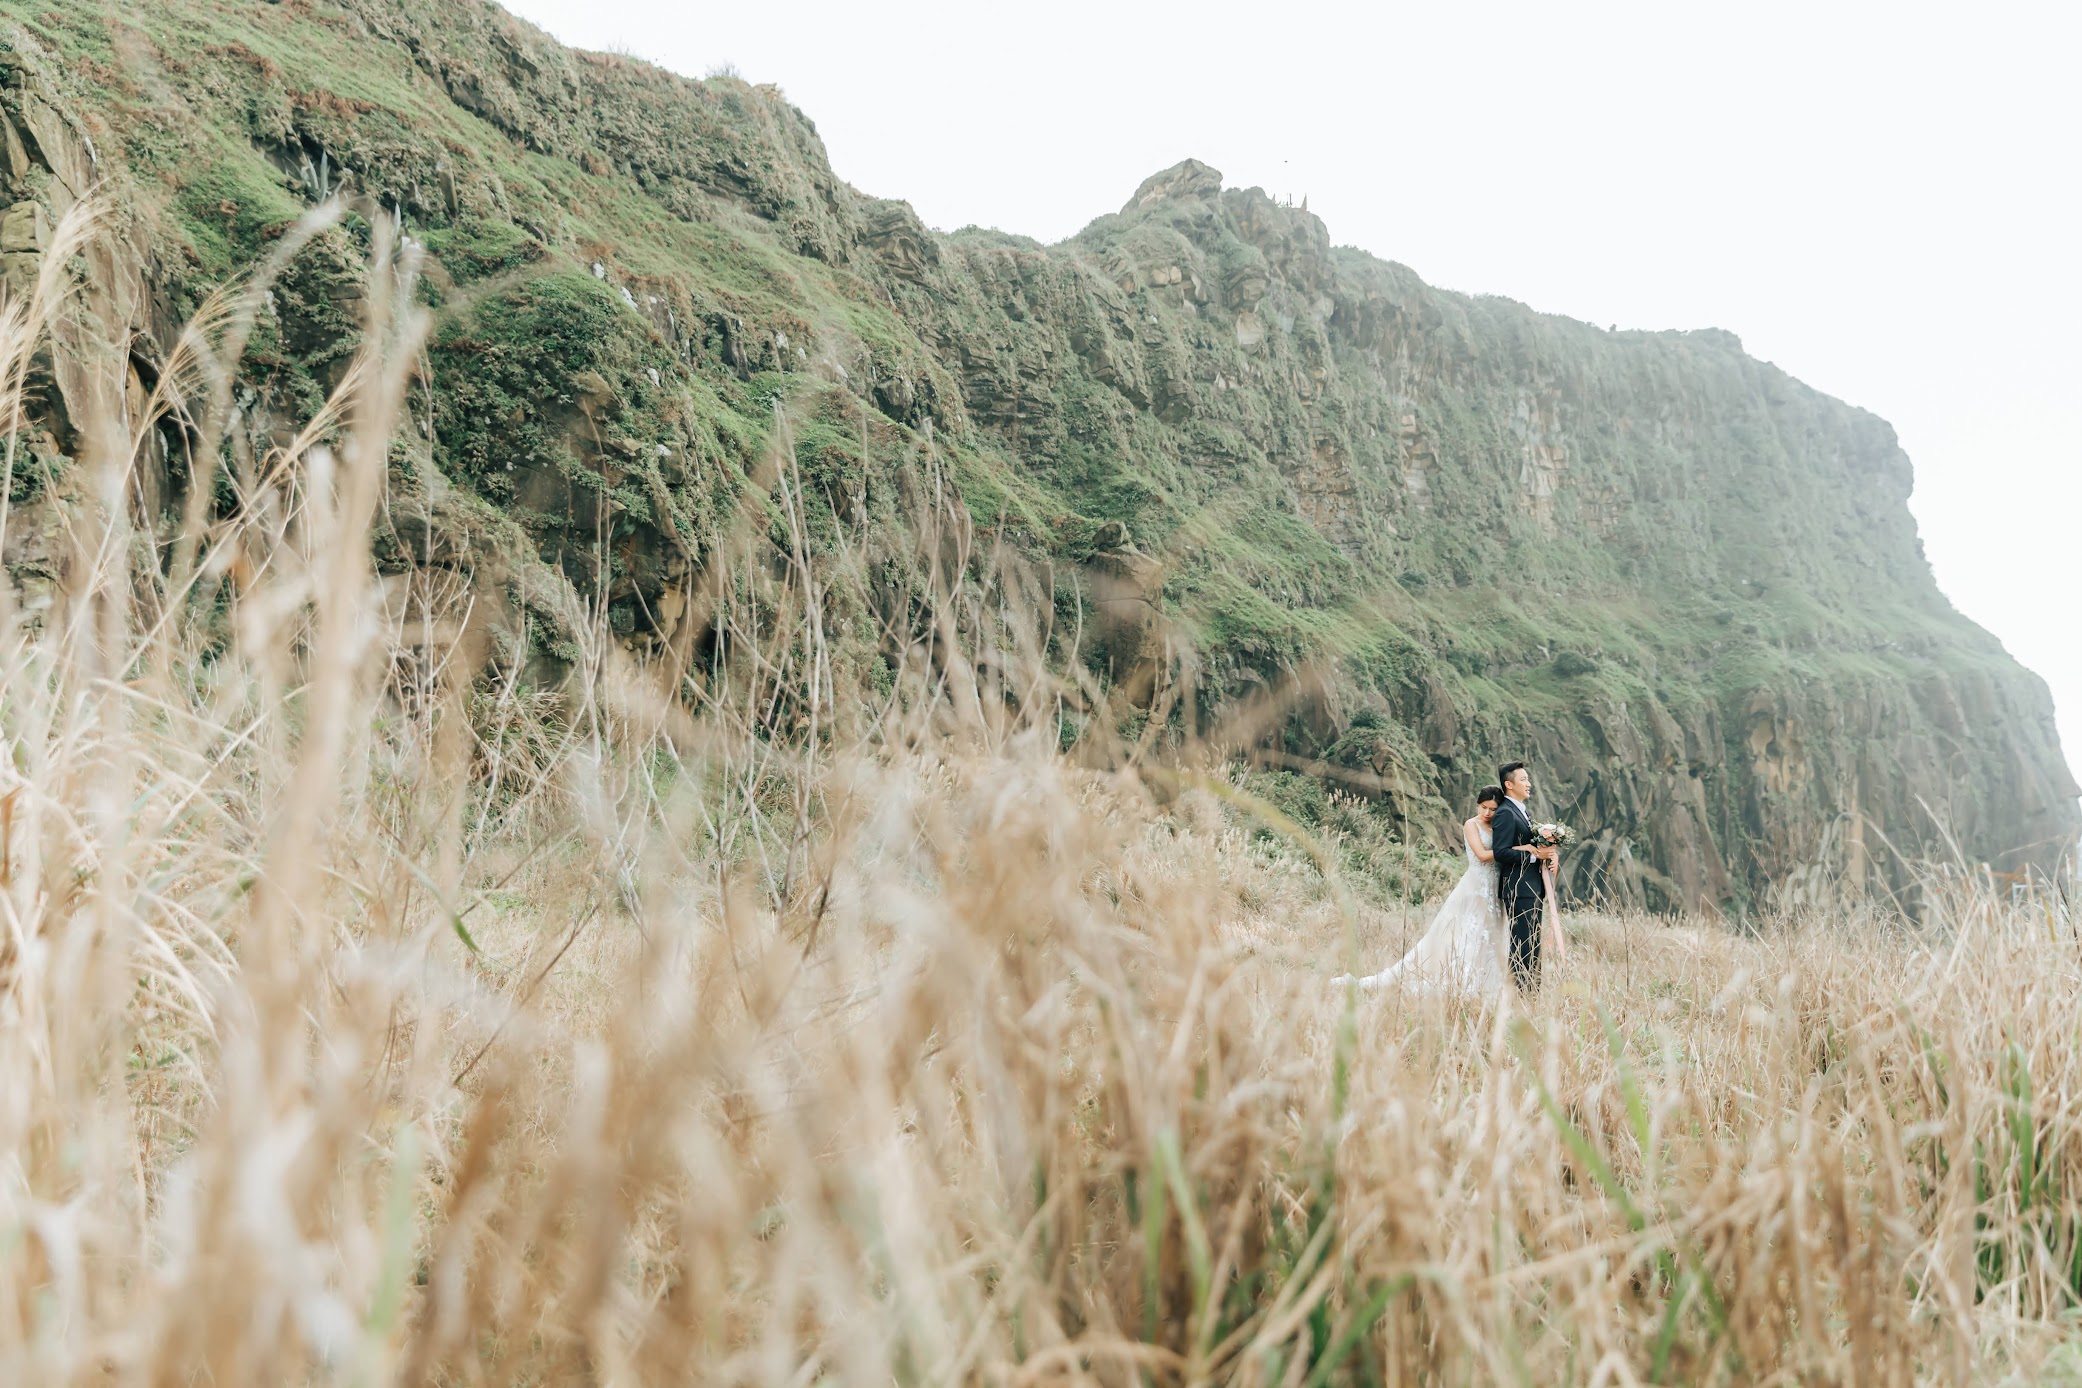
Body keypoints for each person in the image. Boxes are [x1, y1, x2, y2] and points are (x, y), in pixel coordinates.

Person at [1333, 786, 1509, 996]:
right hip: (1475, 886)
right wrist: (1512, 851)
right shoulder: (1472, 824)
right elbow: (1481, 854)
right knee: (1466, 932)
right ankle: (1462, 980)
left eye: (1493, 809)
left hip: (1495, 886)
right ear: (1477, 805)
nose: (1487, 813)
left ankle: (1487, 982)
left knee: (1489, 934)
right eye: (1484, 807)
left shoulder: (1499, 826)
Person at [1488, 761, 1557, 992]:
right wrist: (1536, 857)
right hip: (1518, 888)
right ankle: (1519, 994)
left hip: (1532, 887)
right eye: (1523, 780)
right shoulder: (1506, 813)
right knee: (1522, 944)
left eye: (1528, 779)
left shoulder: (1522, 810)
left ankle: (1531, 992)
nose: (1529, 784)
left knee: (1533, 944)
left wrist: (1548, 853)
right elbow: (1501, 852)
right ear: (1509, 784)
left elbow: (1529, 845)